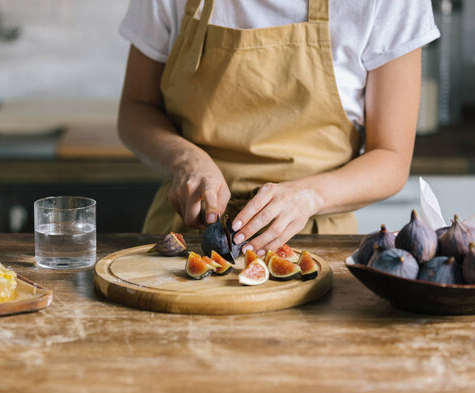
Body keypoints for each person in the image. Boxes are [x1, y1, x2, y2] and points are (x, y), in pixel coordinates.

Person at [117, 0, 440, 256]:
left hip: (314, 241)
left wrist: (308, 196)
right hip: (185, 231)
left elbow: (391, 158)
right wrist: (185, 160)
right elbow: (136, 109)